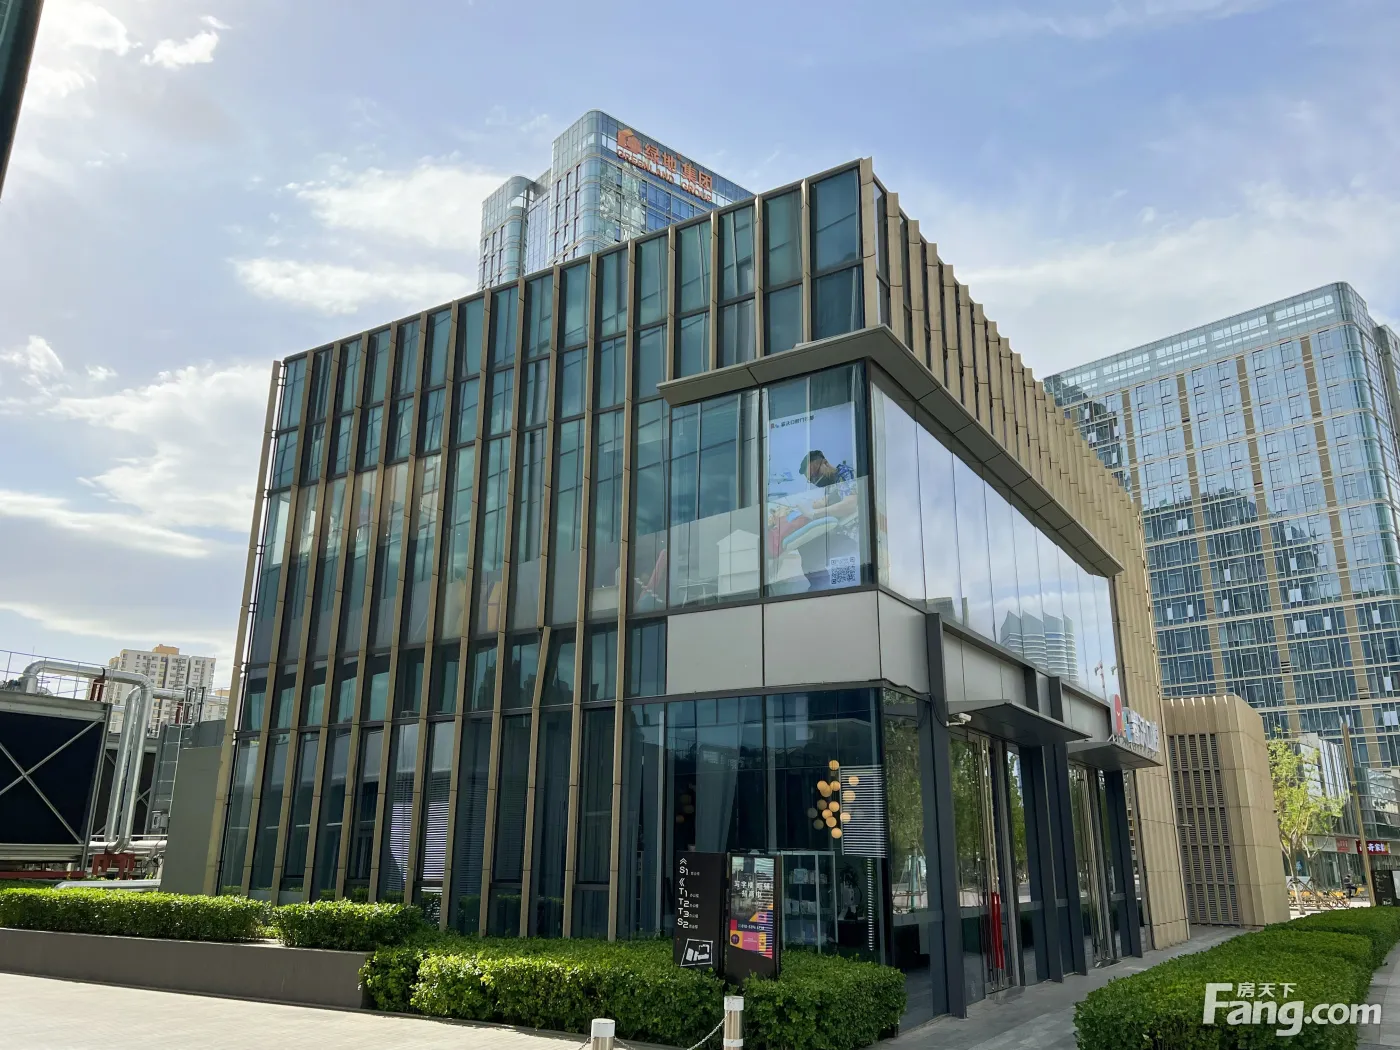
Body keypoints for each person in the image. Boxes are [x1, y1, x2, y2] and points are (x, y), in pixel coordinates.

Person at [779, 449, 862, 590]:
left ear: (825, 463)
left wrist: (814, 513)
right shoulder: (831, 487)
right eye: (811, 480)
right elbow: (825, 502)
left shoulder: (844, 474)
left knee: (810, 547)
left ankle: (819, 587)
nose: (815, 481)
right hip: (836, 536)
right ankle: (819, 586)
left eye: (815, 475)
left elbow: (850, 504)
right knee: (806, 543)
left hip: (850, 536)